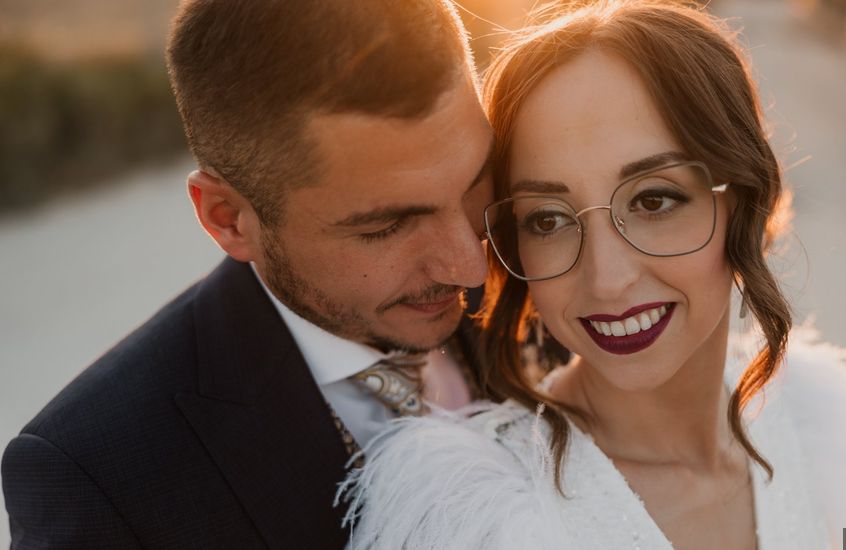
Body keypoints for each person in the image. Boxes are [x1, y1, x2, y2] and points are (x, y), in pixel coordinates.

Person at [339, 2, 846, 549]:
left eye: (652, 202)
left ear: (743, 201)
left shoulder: (834, 430)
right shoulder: (473, 519)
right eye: (548, 218)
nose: (608, 279)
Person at [1, 1, 493, 548]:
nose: (470, 265)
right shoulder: (98, 480)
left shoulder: (555, 289)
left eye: (476, 181)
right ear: (228, 219)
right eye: (386, 225)